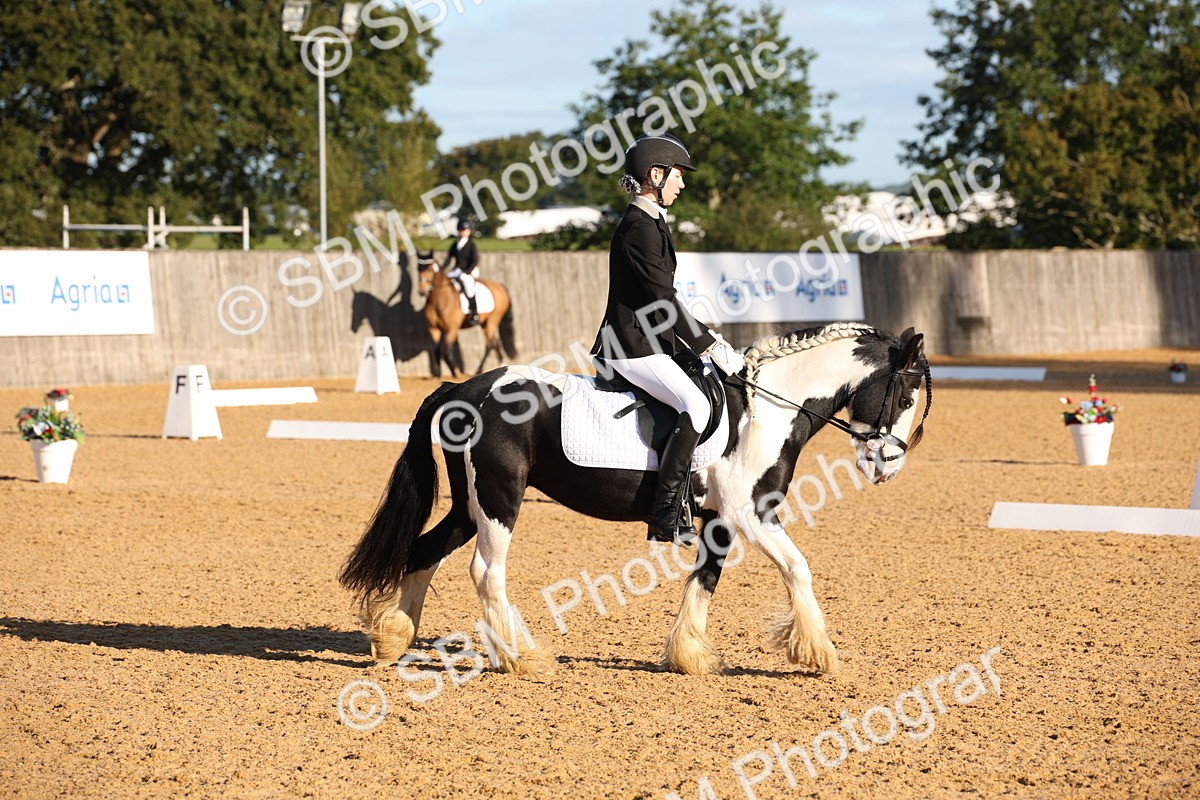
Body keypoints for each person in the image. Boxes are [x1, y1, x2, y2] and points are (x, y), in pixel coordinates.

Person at [590, 132, 745, 544]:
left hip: (650, 340)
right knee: (694, 403)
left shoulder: (651, 222)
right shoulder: (639, 228)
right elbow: (663, 299)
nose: (682, 183)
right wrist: (708, 344)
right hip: (629, 345)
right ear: (655, 175)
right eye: (677, 175)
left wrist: (704, 343)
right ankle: (666, 511)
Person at [444, 218, 481, 325]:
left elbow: (474, 260)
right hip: (456, 270)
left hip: (468, 271)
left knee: (468, 287)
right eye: (460, 230)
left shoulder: (471, 245)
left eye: (464, 230)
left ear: (469, 231)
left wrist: (467, 272)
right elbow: (448, 259)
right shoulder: (455, 244)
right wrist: (442, 270)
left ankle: (474, 312)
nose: (462, 232)